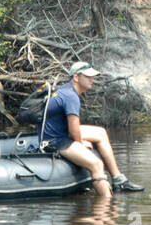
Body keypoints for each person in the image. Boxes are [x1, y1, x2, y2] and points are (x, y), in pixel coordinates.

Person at [40, 61, 144, 195]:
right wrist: (80, 145)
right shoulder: (70, 96)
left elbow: (73, 128)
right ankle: (106, 207)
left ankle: (119, 180)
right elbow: (73, 131)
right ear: (76, 77)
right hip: (55, 141)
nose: (92, 80)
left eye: (92, 76)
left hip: (59, 133)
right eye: (88, 76)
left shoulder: (67, 90)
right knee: (96, 165)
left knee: (100, 133)